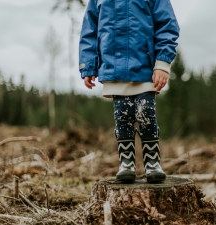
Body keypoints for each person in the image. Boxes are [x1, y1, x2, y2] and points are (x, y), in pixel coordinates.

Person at [78, 0, 180, 183]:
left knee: (145, 112)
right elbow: (90, 30)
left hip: (145, 67)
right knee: (123, 116)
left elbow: (167, 25)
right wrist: (88, 65)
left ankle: (152, 162)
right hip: (113, 68)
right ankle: (126, 163)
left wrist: (163, 63)